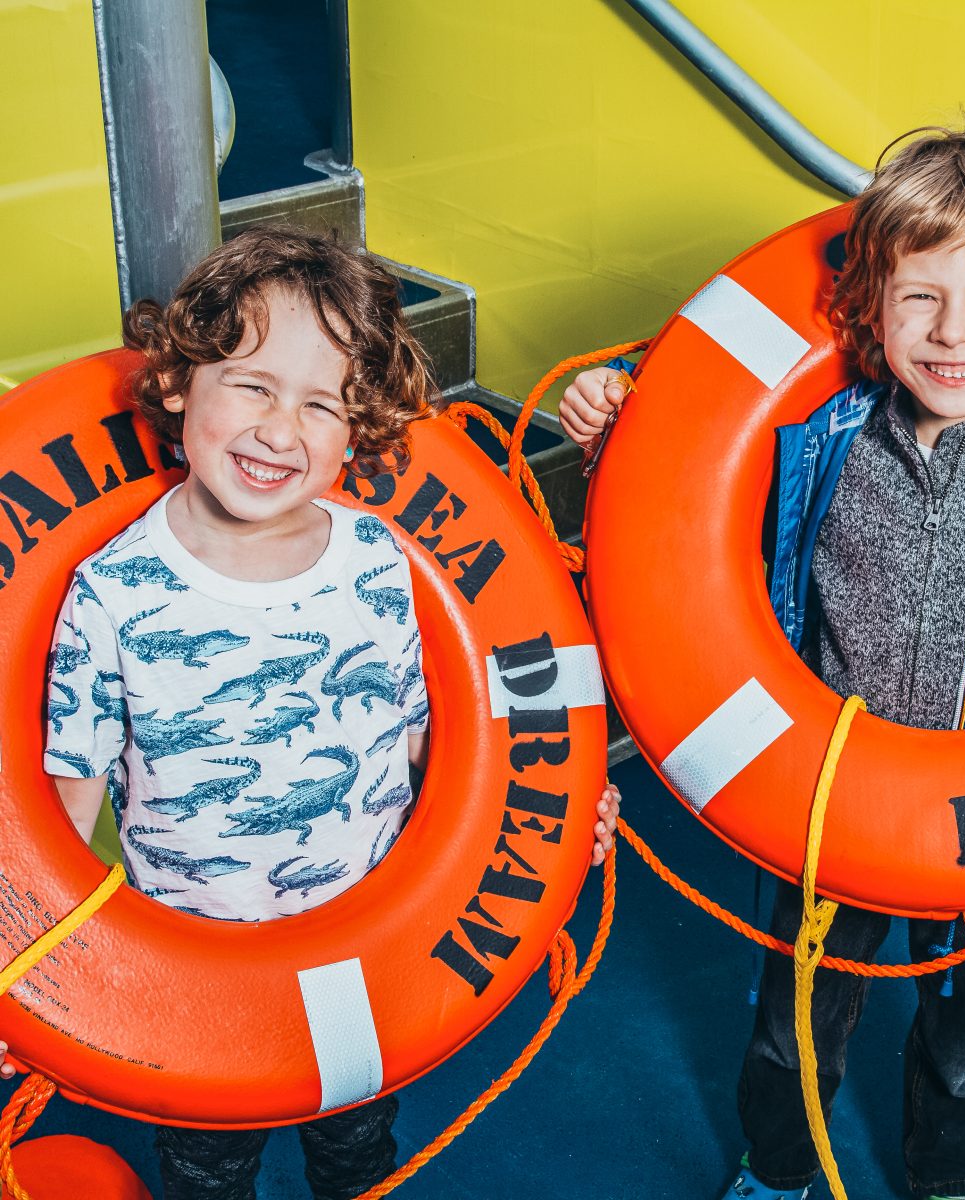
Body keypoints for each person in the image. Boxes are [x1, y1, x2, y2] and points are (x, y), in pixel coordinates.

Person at [558, 127, 965, 1200]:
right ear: (869, 302)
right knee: (792, 1012)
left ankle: (954, 1180)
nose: (950, 333)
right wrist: (613, 424)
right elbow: (682, 516)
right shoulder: (822, 433)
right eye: (918, 298)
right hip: (823, 795)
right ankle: (777, 1173)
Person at [26, 226, 620, 1200]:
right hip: (195, 969)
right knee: (206, 1170)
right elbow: (61, 804)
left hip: (362, 951)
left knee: (356, 1149)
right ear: (178, 385)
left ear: (361, 425)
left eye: (321, 405)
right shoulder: (112, 591)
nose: (280, 431)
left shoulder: (381, 563)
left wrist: (554, 824)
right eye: (252, 387)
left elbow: (446, 757)